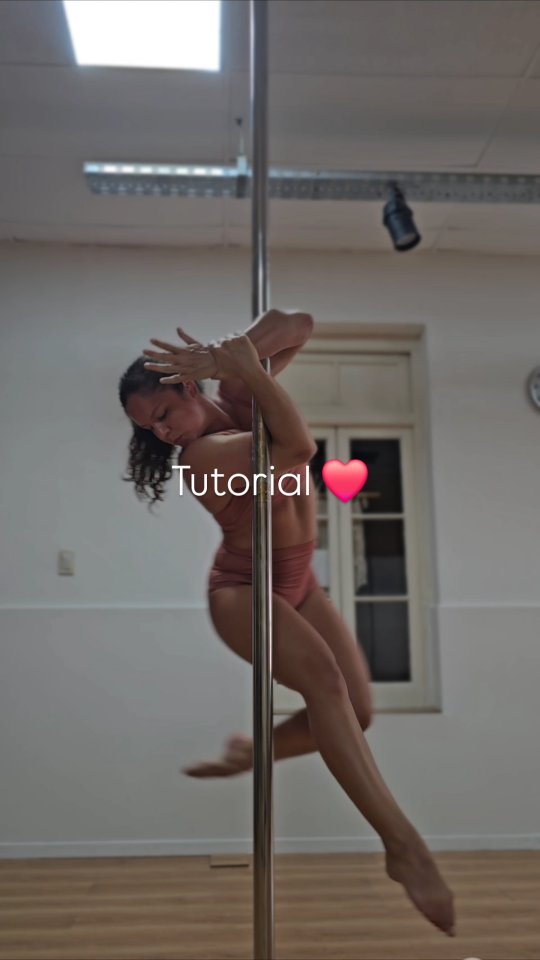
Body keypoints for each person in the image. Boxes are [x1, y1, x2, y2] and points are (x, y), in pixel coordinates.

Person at [118, 309, 455, 938]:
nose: (162, 433)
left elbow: (296, 323)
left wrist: (227, 357)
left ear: (187, 385)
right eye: (150, 429)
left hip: (298, 580)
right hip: (243, 590)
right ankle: (402, 844)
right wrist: (246, 368)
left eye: (163, 414)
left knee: (358, 711)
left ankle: (255, 752)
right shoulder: (201, 457)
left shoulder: (236, 394)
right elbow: (297, 450)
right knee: (325, 684)